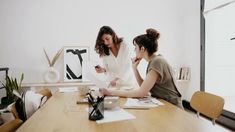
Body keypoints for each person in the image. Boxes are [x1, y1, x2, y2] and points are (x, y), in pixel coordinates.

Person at [99, 28, 182, 107]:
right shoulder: (154, 61)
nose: (134, 50)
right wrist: (135, 68)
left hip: (172, 106)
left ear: (142, 48)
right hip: (165, 103)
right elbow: (144, 86)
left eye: (135, 47)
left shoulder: (157, 62)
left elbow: (141, 92)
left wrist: (110, 92)